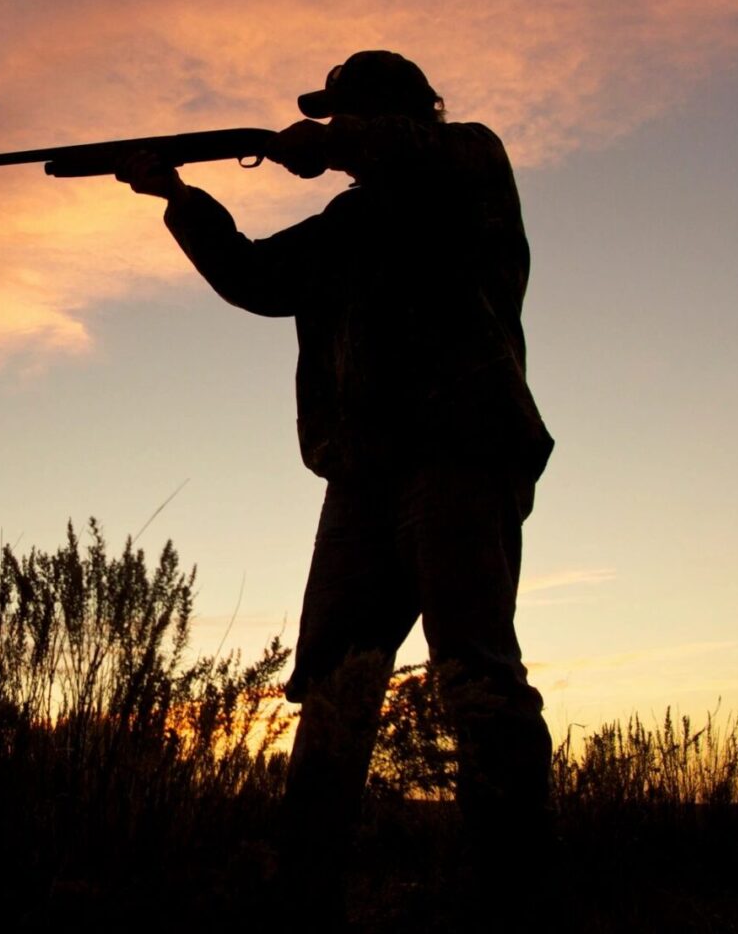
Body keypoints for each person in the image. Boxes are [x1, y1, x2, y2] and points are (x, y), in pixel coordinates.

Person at [116, 50, 556, 911]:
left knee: (475, 677)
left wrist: (330, 142)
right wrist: (174, 196)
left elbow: (405, 151)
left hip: (460, 452)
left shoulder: (469, 163)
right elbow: (252, 278)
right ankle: (305, 895)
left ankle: (515, 900)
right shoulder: (347, 226)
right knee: (332, 689)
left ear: (385, 114)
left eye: (343, 114)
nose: (327, 129)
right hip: (361, 476)